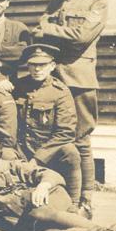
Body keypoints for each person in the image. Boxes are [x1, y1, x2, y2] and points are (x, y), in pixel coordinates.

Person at [32, 0, 108, 217]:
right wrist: (52, 30)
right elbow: (43, 28)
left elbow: (81, 37)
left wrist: (49, 30)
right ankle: (65, 195)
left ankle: (86, 200)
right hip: (55, 77)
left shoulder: (97, 2)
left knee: (81, 140)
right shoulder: (57, 1)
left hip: (78, 78)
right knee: (55, 136)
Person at [13, 44, 83, 209]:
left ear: (52, 66)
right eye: (33, 64)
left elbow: (65, 133)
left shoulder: (60, 92)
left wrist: (38, 158)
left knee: (71, 152)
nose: (37, 69)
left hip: (48, 151)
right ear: (28, 66)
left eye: (42, 65)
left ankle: (73, 205)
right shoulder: (18, 87)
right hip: (22, 148)